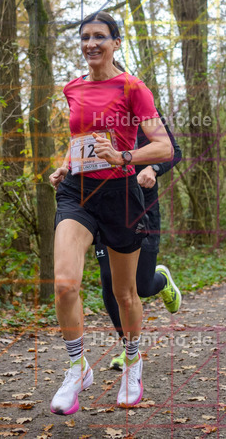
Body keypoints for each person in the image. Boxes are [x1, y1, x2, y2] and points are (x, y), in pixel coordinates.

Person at [47, 11, 172, 414]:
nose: (91, 44)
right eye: (85, 37)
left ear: (116, 43)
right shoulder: (72, 88)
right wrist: (66, 163)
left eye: (100, 37)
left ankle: (132, 361)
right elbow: (79, 139)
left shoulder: (133, 87)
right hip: (77, 192)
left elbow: (164, 147)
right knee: (65, 284)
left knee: (124, 293)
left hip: (121, 193)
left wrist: (124, 156)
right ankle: (76, 366)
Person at [98, 118, 183, 371]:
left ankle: (162, 280)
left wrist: (153, 169)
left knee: (142, 287)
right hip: (106, 205)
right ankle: (128, 349)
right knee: (109, 278)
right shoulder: (96, 113)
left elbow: (173, 152)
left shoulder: (143, 112)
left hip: (141, 207)